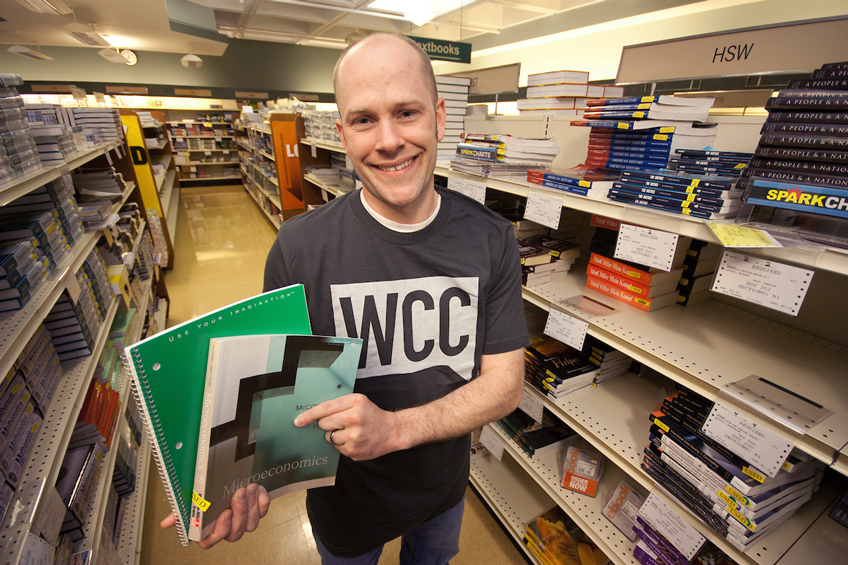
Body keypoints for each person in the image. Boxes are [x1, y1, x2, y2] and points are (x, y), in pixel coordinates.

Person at [165, 32, 529, 562]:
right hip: (344, 506)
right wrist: (234, 482)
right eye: (363, 120)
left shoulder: (491, 238)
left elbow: (504, 384)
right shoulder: (299, 249)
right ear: (341, 132)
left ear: (440, 116)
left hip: (443, 493)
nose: (387, 140)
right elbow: (270, 402)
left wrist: (395, 429)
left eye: (406, 112)